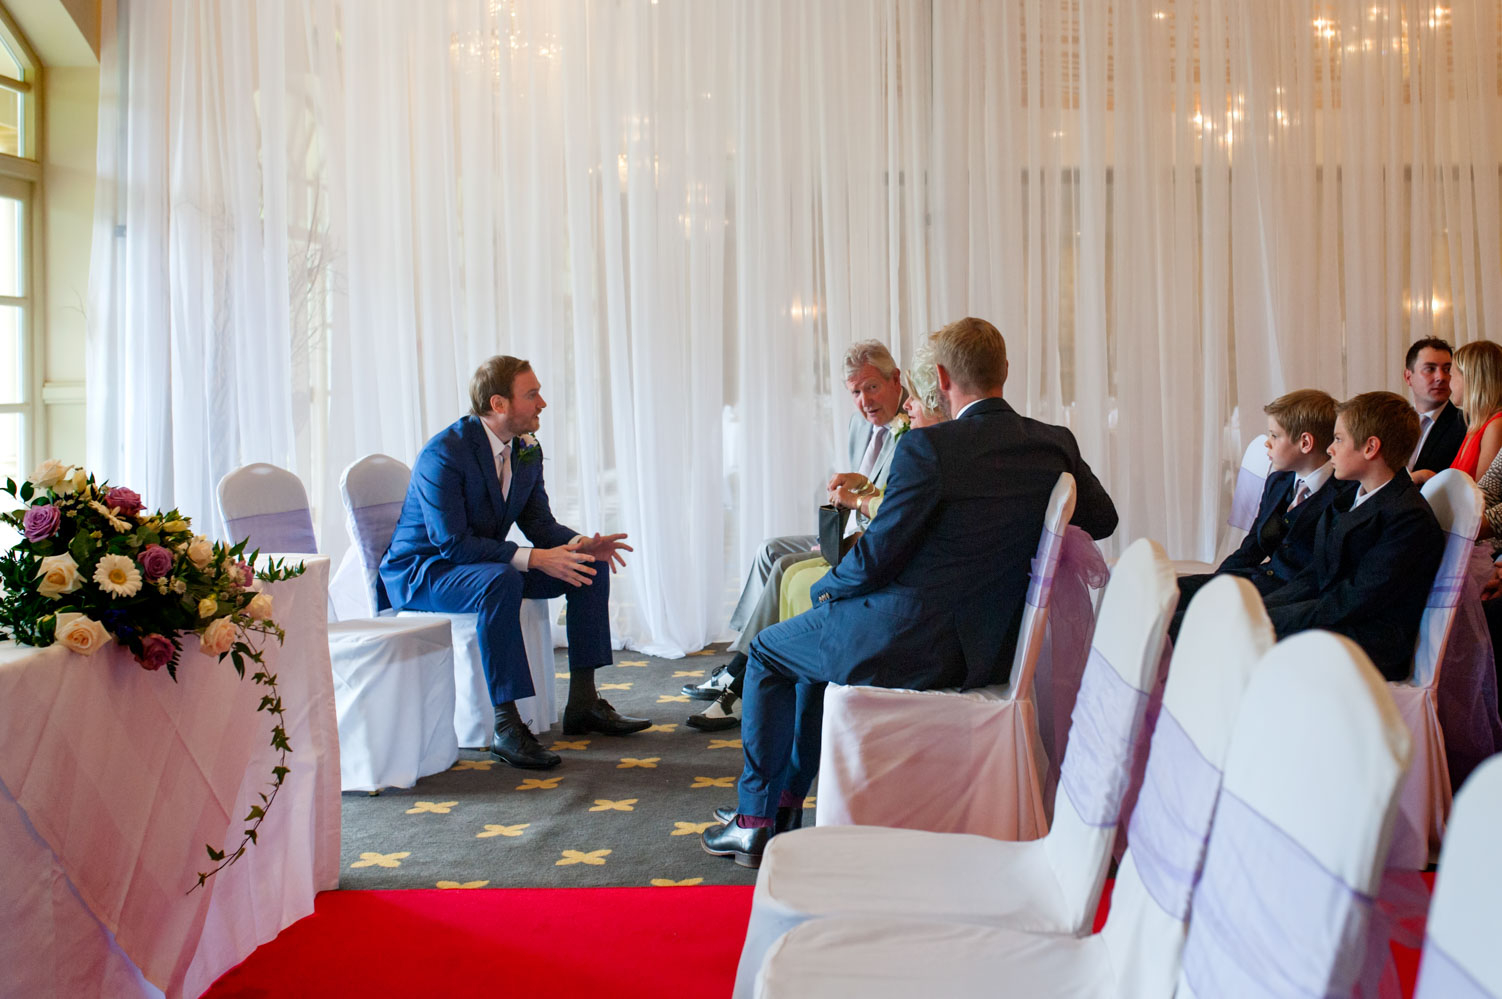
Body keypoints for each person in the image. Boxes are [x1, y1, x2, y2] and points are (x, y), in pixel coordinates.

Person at [701, 317, 1118, 866]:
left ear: (941, 377)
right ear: (1005, 371)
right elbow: (1102, 518)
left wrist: (828, 588)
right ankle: (778, 811)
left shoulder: (931, 449)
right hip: (995, 647)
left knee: (767, 651)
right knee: (804, 653)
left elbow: (877, 557)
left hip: (913, 642)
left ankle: (756, 820)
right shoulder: (1052, 443)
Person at [380, 356, 644, 771]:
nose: (543, 403)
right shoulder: (444, 453)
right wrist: (534, 559)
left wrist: (579, 544)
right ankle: (506, 725)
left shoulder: (526, 449)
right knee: (501, 580)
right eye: (532, 394)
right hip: (424, 573)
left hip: (480, 565)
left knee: (584, 569)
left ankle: (583, 703)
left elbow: (538, 522)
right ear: (499, 403)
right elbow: (451, 544)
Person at [686, 341, 951, 734]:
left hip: (870, 537)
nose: (864, 401)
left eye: (872, 388)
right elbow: (873, 489)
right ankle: (740, 659)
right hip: (850, 527)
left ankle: (739, 678)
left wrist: (856, 500)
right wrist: (853, 491)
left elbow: (896, 508)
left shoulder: (918, 425)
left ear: (896, 380)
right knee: (768, 549)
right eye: (855, 393)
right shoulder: (860, 424)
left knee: (783, 567)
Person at [1261, 391, 1444, 682]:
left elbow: (1354, 599)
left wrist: (1270, 620)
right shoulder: (1350, 498)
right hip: (1340, 619)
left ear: (1371, 447)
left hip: (1371, 642)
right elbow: (1314, 575)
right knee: (1238, 624)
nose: (1330, 449)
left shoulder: (1407, 517)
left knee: (1249, 640)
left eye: (1338, 439)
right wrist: (1262, 608)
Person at [1171, 390, 1354, 635]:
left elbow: (1320, 574)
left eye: (1274, 435)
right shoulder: (1279, 481)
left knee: (1180, 624)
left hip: (1288, 599)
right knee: (1166, 595)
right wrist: (1218, 583)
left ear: (1305, 443)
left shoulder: (1344, 494)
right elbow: (1252, 547)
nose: (1266, 442)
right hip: (1254, 580)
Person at [1430, 339, 1502, 482]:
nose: (1448, 382)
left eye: (1452, 374)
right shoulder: (1476, 426)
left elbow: (1483, 495)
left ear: (1472, 379)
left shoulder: (1496, 426)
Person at [1405, 337, 1466, 474]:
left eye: (1447, 369)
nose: (1441, 377)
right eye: (1430, 369)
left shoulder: (1466, 424)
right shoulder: (1391, 422)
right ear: (1408, 377)